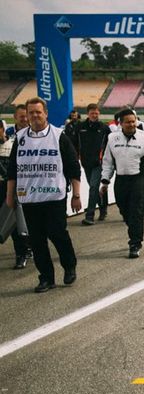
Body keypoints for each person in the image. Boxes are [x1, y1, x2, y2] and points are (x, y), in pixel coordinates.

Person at [4, 98, 81, 292]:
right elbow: (13, 170)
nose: (35, 116)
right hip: (29, 198)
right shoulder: (20, 138)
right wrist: (9, 196)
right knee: (37, 241)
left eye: (38, 112)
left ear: (46, 113)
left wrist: (76, 195)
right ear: (27, 115)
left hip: (54, 197)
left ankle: (69, 265)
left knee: (58, 235)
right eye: (31, 113)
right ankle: (46, 277)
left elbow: (73, 167)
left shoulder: (58, 135)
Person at [99, 109, 144, 258]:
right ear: (121, 123)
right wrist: (104, 182)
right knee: (125, 211)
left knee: (136, 211)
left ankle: (135, 243)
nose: (131, 124)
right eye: (128, 122)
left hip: (138, 179)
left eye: (134, 121)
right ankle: (134, 228)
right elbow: (107, 162)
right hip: (121, 180)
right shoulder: (112, 138)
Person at [67, 103, 112, 225]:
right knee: (94, 189)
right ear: (88, 113)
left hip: (99, 163)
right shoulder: (80, 127)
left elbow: (109, 145)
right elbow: (74, 143)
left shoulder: (104, 128)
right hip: (85, 163)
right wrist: (76, 157)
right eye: (92, 113)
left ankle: (90, 215)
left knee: (93, 187)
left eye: (96, 113)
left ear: (99, 113)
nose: (94, 115)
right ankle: (103, 208)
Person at [2, 105, 32, 268]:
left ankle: (29, 248)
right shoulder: (10, 137)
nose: (25, 119)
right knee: (14, 224)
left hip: (27, 186)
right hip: (10, 187)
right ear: (15, 118)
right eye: (21, 116)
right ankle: (22, 251)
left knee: (27, 222)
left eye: (26, 115)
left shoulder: (33, 135)